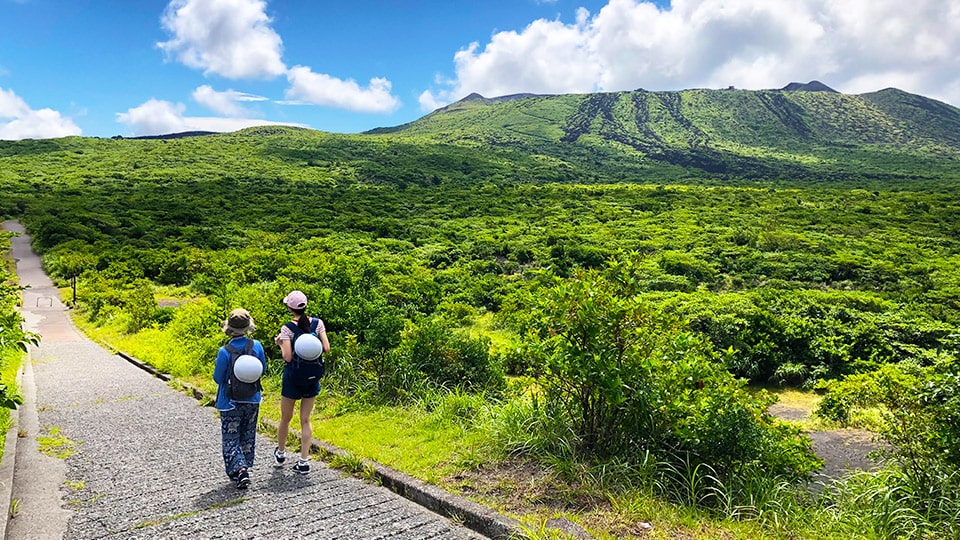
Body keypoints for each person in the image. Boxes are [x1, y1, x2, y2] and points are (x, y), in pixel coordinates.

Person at [274, 290, 330, 474]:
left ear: (289, 308)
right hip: (312, 376)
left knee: (286, 418)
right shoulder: (318, 323)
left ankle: (281, 453)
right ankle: (304, 461)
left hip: (293, 378)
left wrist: (280, 343)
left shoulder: (287, 328)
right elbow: (326, 348)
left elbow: (287, 357)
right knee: (305, 419)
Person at [213, 308, 268, 489]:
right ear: (248, 327)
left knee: (231, 437)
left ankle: (240, 470)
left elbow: (218, 378)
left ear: (230, 328)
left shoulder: (224, 351)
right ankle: (242, 467)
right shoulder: (256, 346)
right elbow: (262, 369)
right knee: (247, 434)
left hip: (229, 402)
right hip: (252, 399)